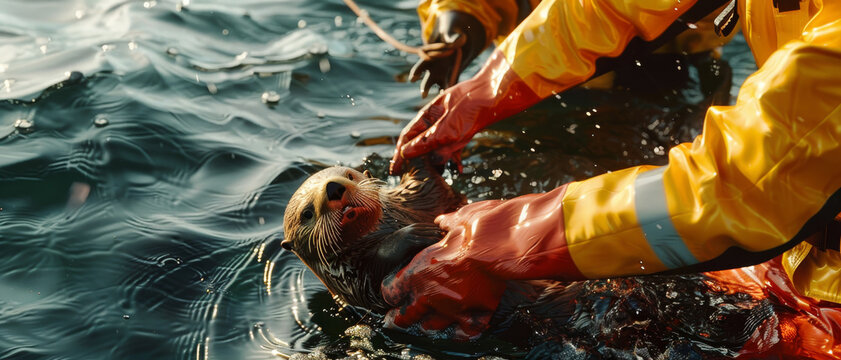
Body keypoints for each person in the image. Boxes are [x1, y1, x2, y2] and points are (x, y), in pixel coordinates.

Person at [383, 0, 841, 350]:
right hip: (795, 255)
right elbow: (607, 6)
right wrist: (485, 91)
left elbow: (743, 188)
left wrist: (504, 239)